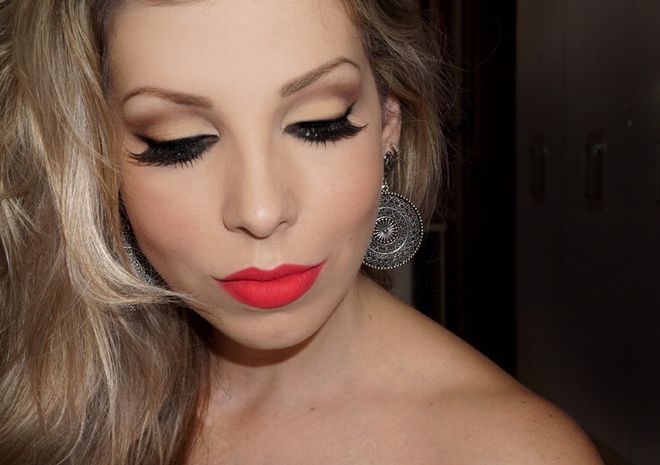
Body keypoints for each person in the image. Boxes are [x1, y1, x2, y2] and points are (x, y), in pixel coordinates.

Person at [0, 1, 604, 464]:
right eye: (177, 142)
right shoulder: (47, 394)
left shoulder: (513, 451)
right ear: (92, 159)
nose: (261, 211)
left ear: (388, 124)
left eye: (319, 124)